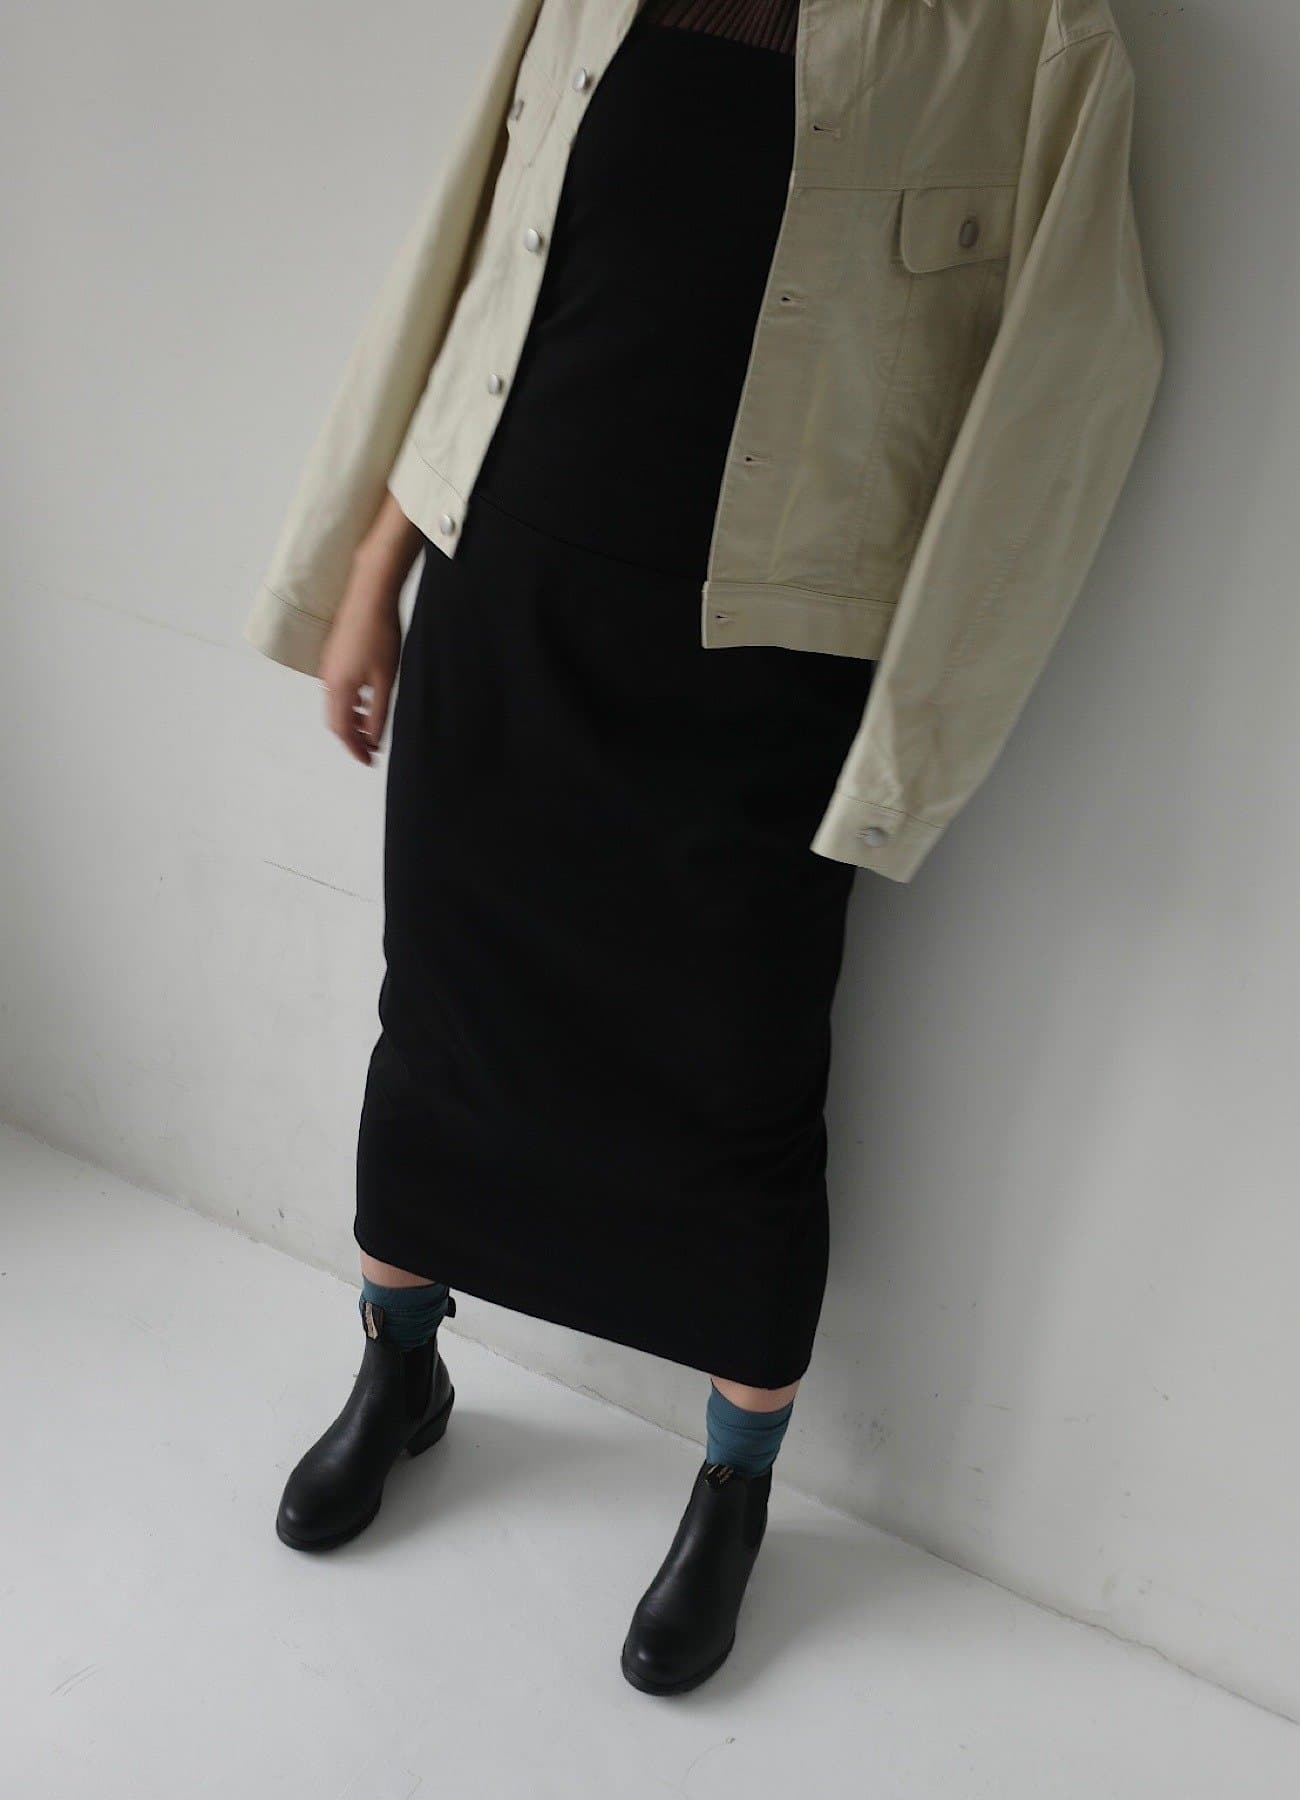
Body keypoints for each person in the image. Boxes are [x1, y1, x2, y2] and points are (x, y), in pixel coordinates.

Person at [244, 0, 1163, 1694]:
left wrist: (919, 736)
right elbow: (478, 268)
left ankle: (735, 1489)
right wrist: (374, 568)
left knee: (741, 1079)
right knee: (440, 1013)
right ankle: (399, 1367)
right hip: (509, 589)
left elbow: (1069, 390)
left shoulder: (1031, 36)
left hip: (768, 661)